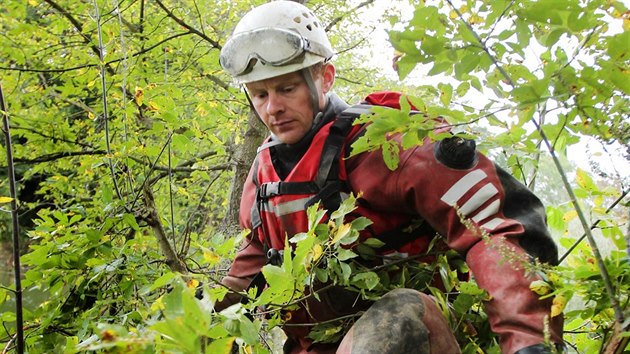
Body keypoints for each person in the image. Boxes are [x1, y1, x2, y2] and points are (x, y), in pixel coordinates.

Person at [216, 1, 564, 353]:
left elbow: (497, 229)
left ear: (325, 77)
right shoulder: (264, 175)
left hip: (411, 335)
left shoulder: (385, 145)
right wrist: (203, 321)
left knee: (398, 313)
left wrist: (529, 343)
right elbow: (252, 260)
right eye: (260, 94)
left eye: (287, 89)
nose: (272, 107)